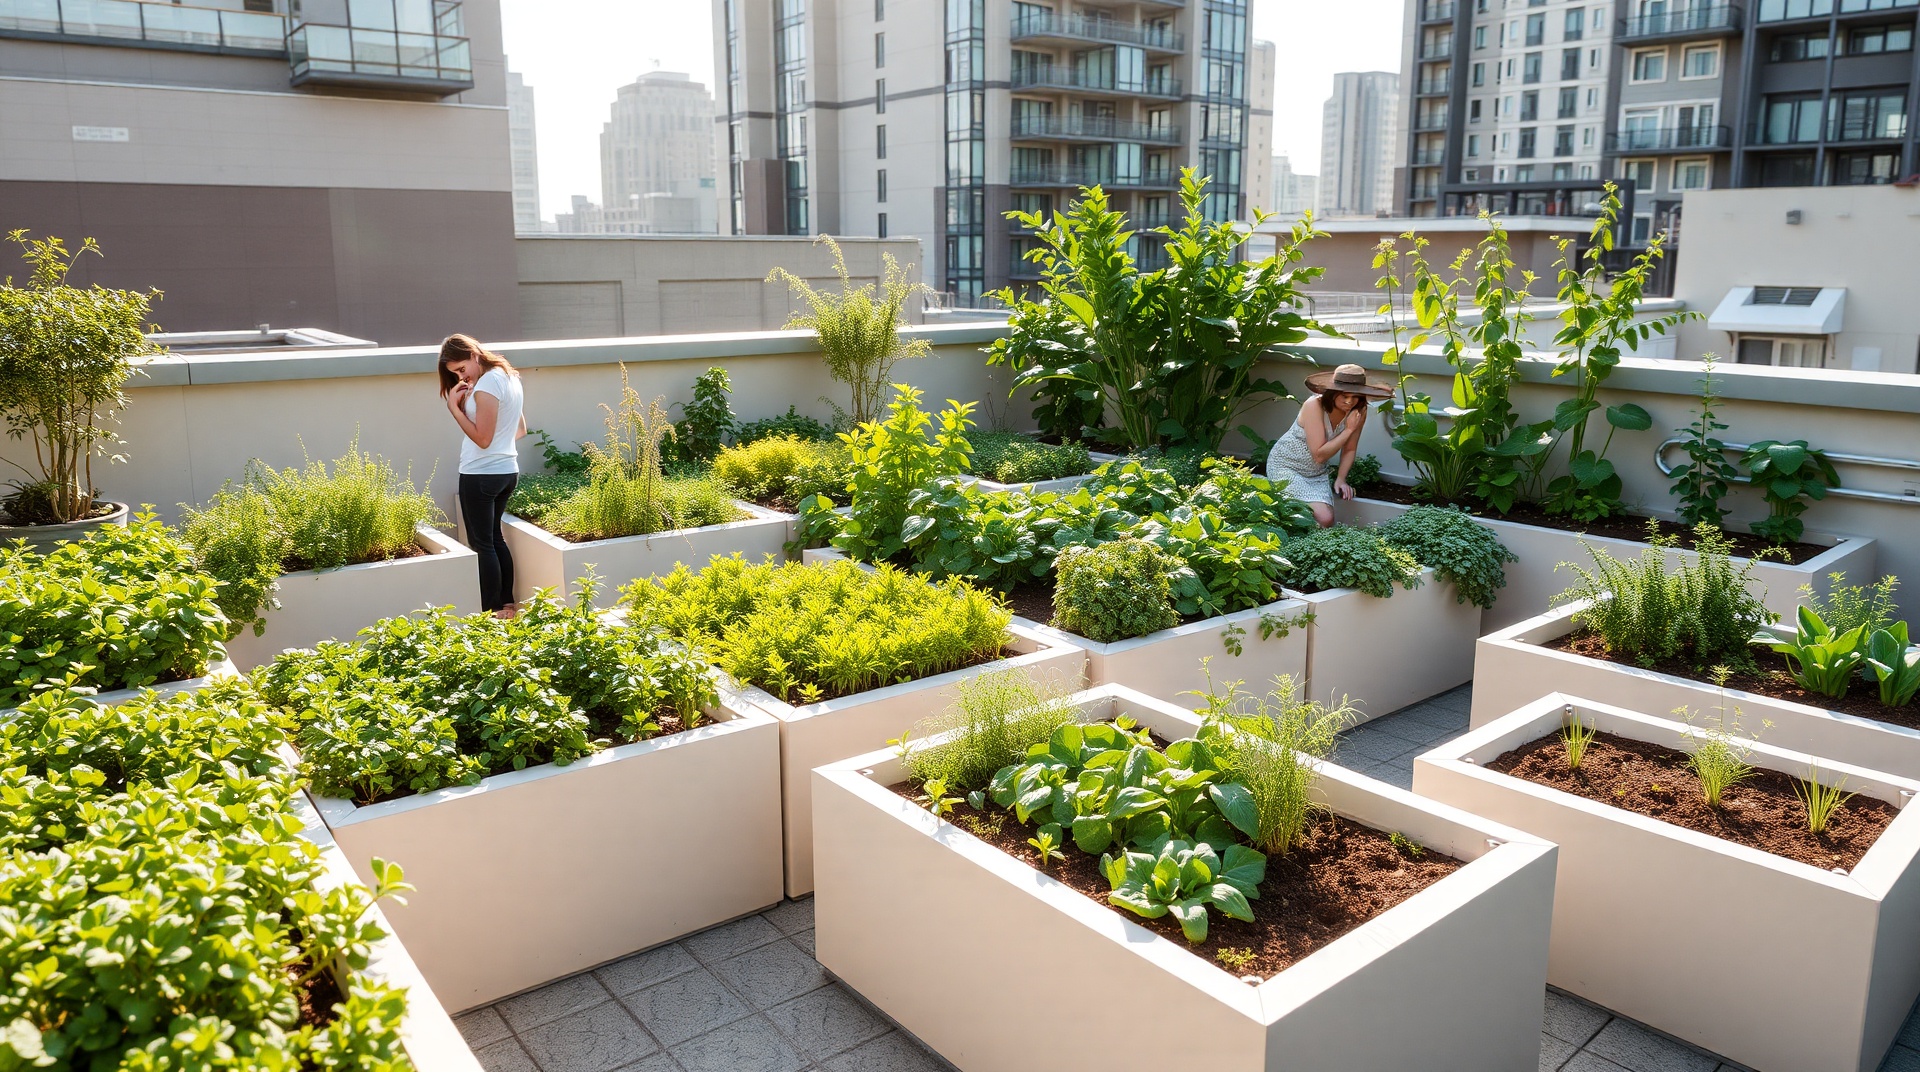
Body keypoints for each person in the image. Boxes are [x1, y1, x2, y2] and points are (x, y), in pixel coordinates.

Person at [440, 334, 527, 618]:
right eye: (455, 374)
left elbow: (483, 439)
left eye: (462, 369)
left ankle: (492, 611)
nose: (461, 377)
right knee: (494, 538)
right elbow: (519, 430)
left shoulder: (488, 383)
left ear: (475, 354)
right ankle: (507, 605)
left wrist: (454, 409)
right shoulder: (509, 377)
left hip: (480, 475)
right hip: (506, 471)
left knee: (482, 543)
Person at [1265, 363, 1394, 528]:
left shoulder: (1358, 411)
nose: (1349, 401)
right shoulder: (1314, 406)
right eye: (1344, 396)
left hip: (1316, 474)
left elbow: (1350, 448)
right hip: (1286, 466)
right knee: (1317, 517)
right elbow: (1319, 455)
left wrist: (1341, 479)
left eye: (1355, 397)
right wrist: (1348, 430)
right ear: (1332, 392)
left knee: (1326, 520)